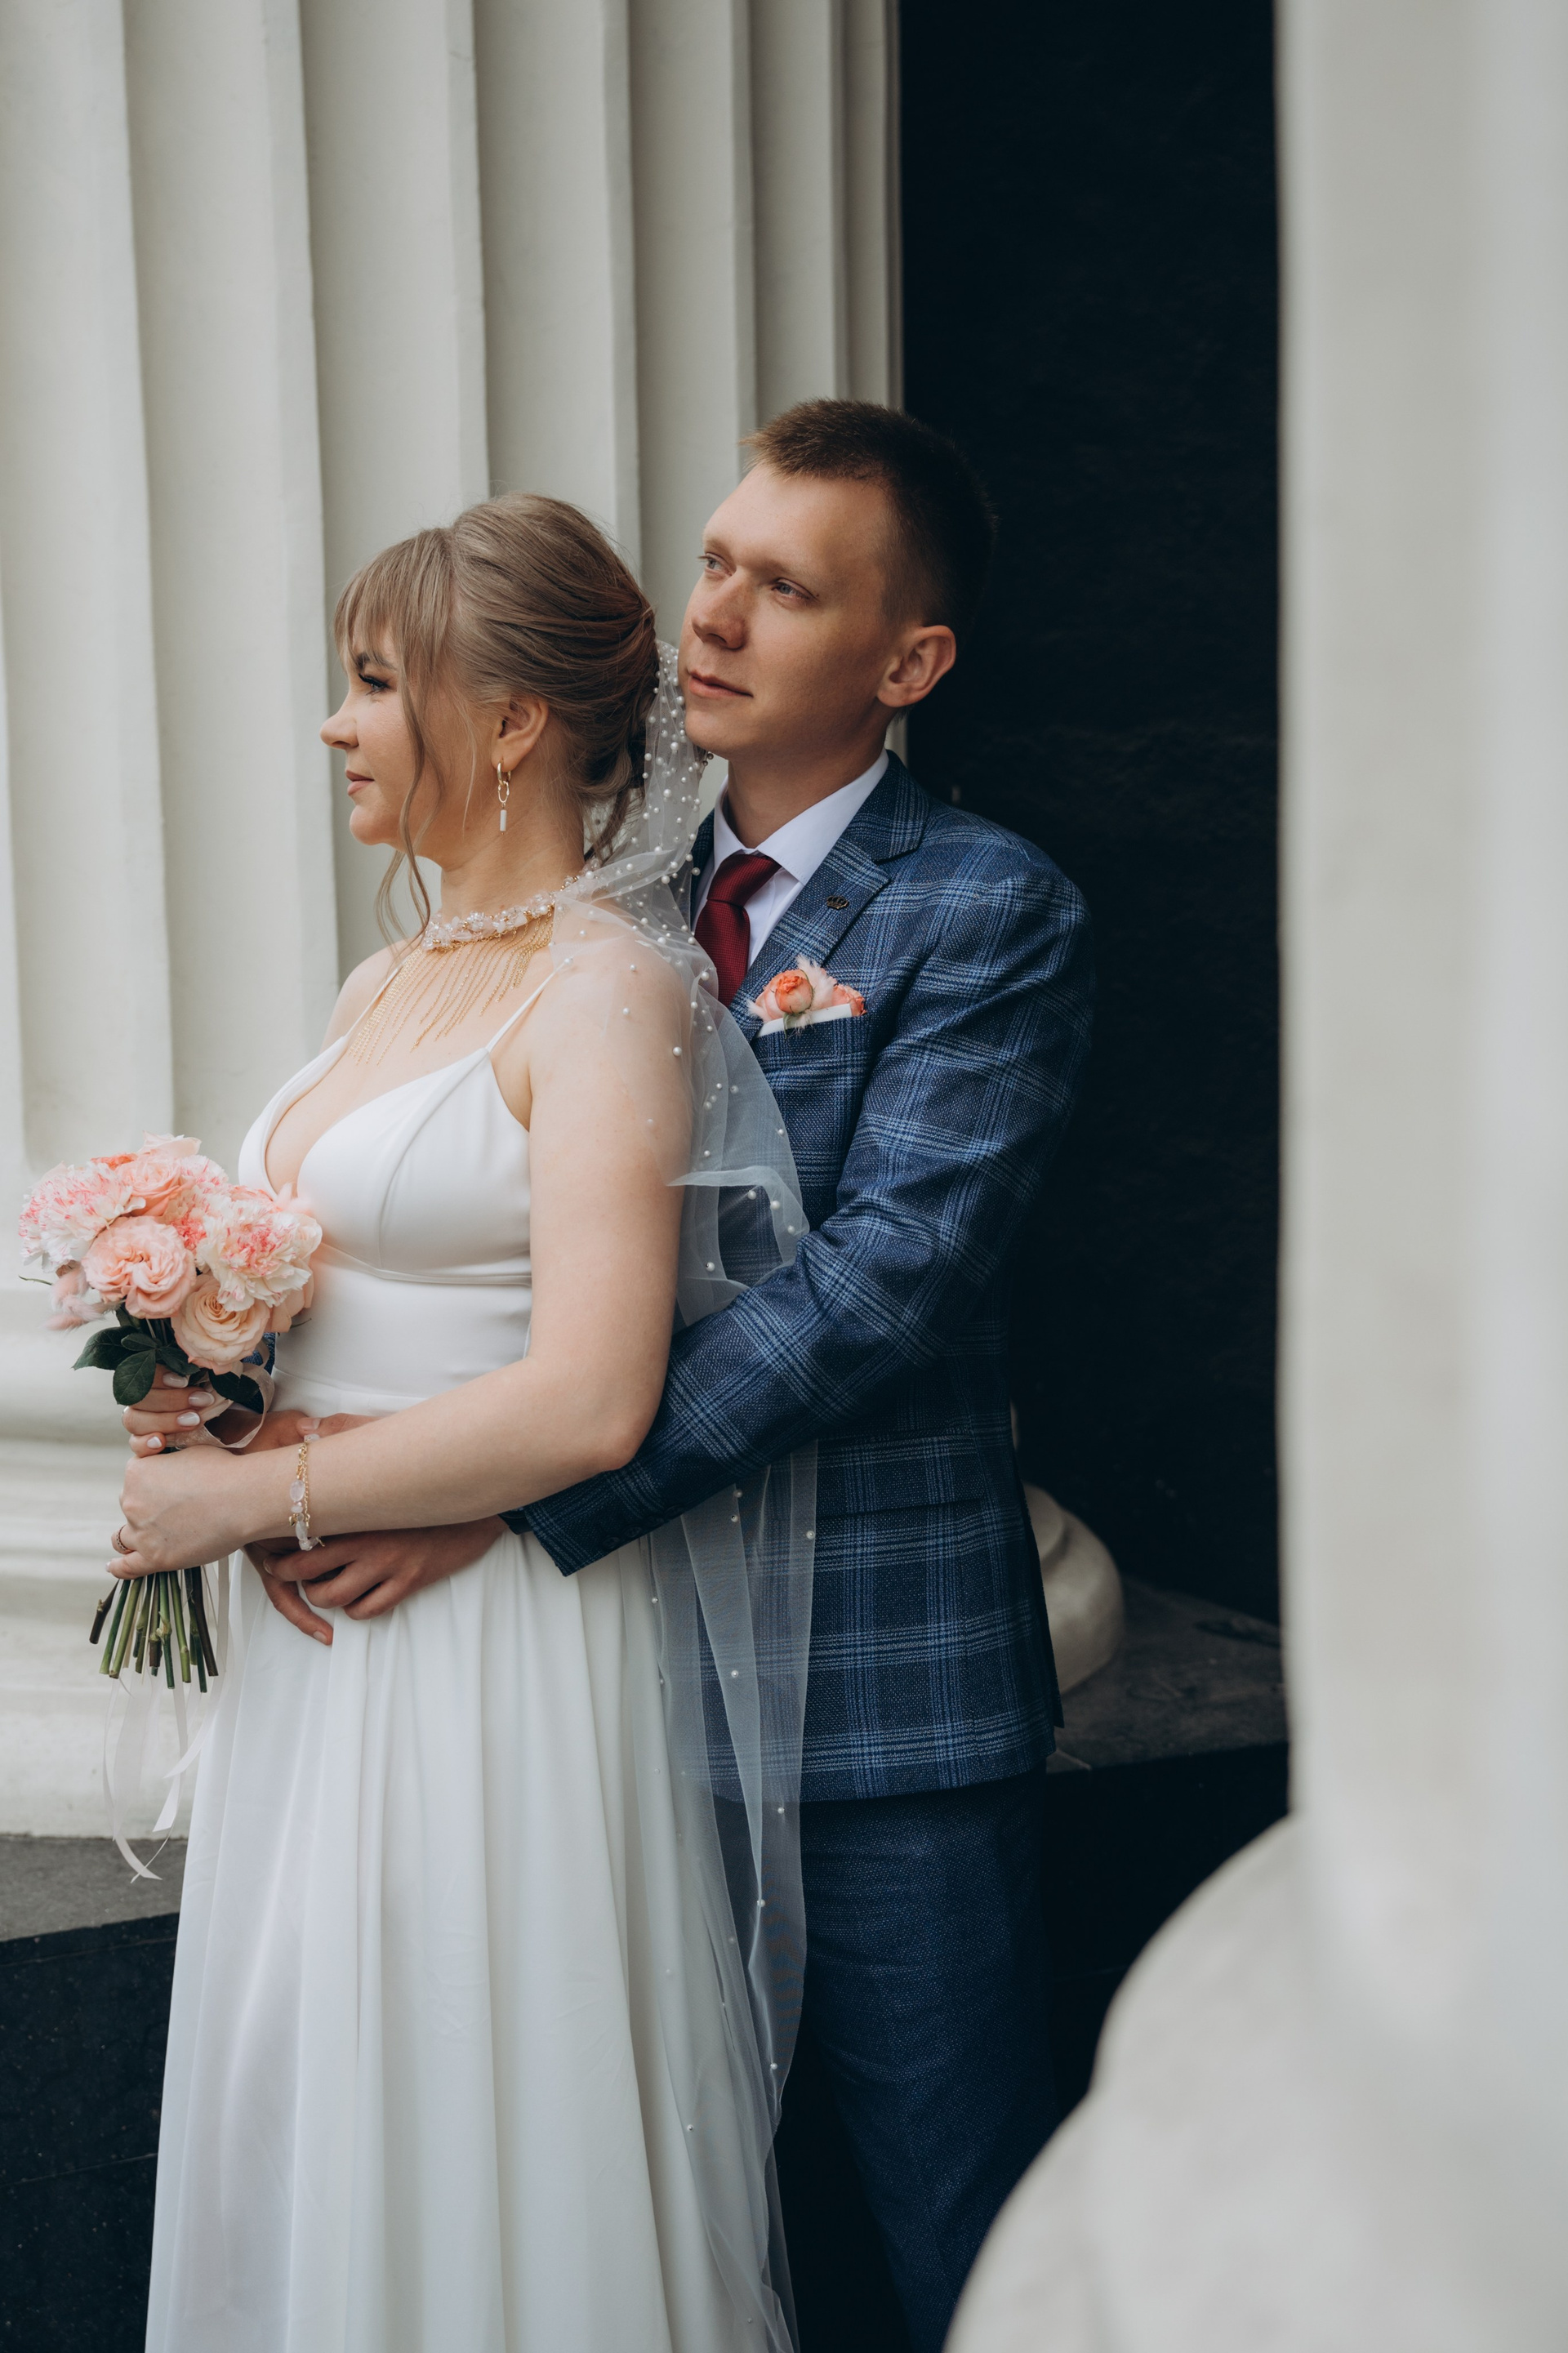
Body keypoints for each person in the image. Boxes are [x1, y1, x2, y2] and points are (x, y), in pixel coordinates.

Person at [148, 399, 1096, 2353]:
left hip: (873, 1699)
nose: (716, 613)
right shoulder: (604, 909)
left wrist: (510, 1491)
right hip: (598, 1708)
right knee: (646, 2208)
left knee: (959, 2236)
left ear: (909, 661)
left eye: (789, 587)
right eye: (719, 561)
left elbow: (887, 1281)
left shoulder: (984, 907)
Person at [117, 495, 817, 2352]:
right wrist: (210, 1395)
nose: (337, 723)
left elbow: (593, 1393)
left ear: (509, 719)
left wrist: (247, 1505)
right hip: (320, 1644)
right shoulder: (390, 981)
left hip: (484, 1642)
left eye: (373, 681)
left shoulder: (613, 991)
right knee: (309, 2078)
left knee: (463, 2085)